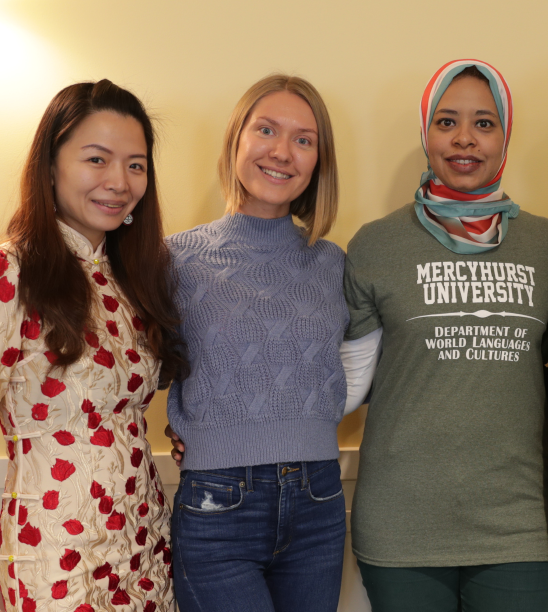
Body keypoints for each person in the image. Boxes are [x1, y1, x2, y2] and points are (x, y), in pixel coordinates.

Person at [0, 80, 186, 612]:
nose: (119, 181)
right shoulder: (6, 274)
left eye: (136, 165)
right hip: (56, 557)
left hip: (144, 544)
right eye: (97, 159)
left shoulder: (128, 273)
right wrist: (0, 567)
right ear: (50, 166)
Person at [342, 59, 548, 612]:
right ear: (427, 134)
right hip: (400, 529)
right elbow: (344, 387)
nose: (465, 139)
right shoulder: (376, 245)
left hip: (519, 527)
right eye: (447, 122)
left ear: (505, 135)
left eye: (484, 123)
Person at [163, 74, 351, 612]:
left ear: (318, 162)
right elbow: (136, 370)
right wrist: (182, 422)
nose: (282, 151)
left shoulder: (333, 263)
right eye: (266, 129)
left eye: (303, 139)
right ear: (236, 141)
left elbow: (354, 368)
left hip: (319, 502)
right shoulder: (176, 259)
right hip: (216, 505)